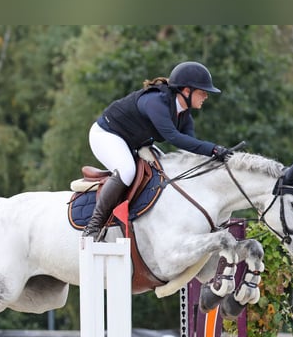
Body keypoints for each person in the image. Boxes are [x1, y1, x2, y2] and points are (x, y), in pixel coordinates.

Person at [83, 60, 233, 239]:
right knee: (127, 171)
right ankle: (93, 227)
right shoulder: (156, 102)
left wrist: (216, 158)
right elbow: (174, 138)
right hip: (107, 135)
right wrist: (214, 149)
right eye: (202, 92)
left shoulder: (184, 115)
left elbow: (190, 144)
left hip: (134, 141)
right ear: (186, 90)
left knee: (164, 171)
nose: (206, 96)